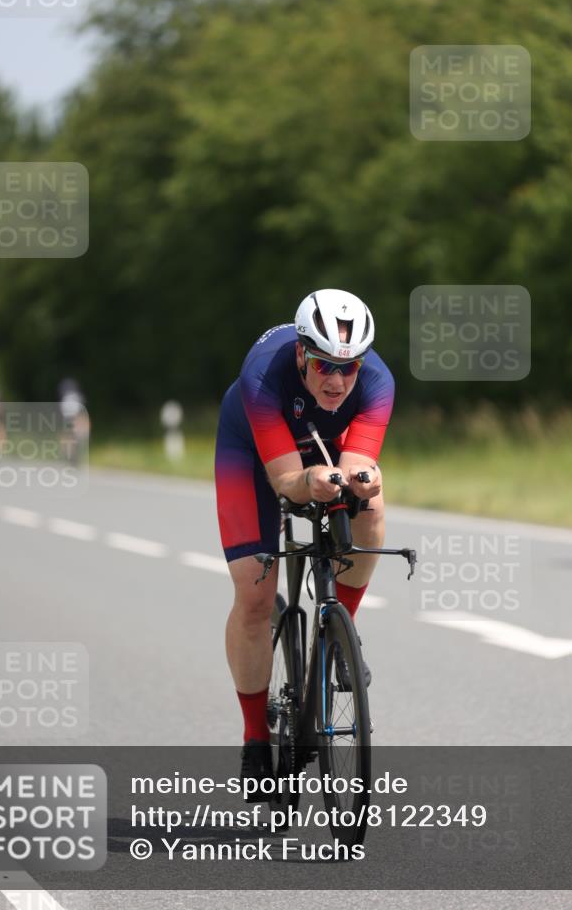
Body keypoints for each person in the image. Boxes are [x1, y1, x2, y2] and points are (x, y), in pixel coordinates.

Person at [215, 288, 395, 795]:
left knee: (372, 505)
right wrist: (311, 480)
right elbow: (288, 481)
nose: (337, 381)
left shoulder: (378, 382)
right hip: (254, 451)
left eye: (349, 368)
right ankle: (255, 737)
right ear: (301, 353)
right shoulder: (261, 375)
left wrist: (361, 481)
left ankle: (342, 632)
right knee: (254, 593)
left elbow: (359, 463)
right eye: (323, 367)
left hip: (324, 445)